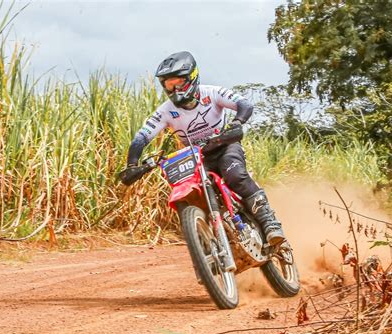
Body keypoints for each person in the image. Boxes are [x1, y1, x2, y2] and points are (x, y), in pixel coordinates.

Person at [121, 51, 285, 247]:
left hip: (225, 145)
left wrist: (238, 123)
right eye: (168, 85)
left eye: (178, 83)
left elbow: (244, 104)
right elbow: (142, 137)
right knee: (191, 195)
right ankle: (208, 250)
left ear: (191, 78)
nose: (174, 90)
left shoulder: (212, 93)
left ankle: (270, 223)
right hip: (196, 157)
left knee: (235, 175)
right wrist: (132, 164)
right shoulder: (165, 111)